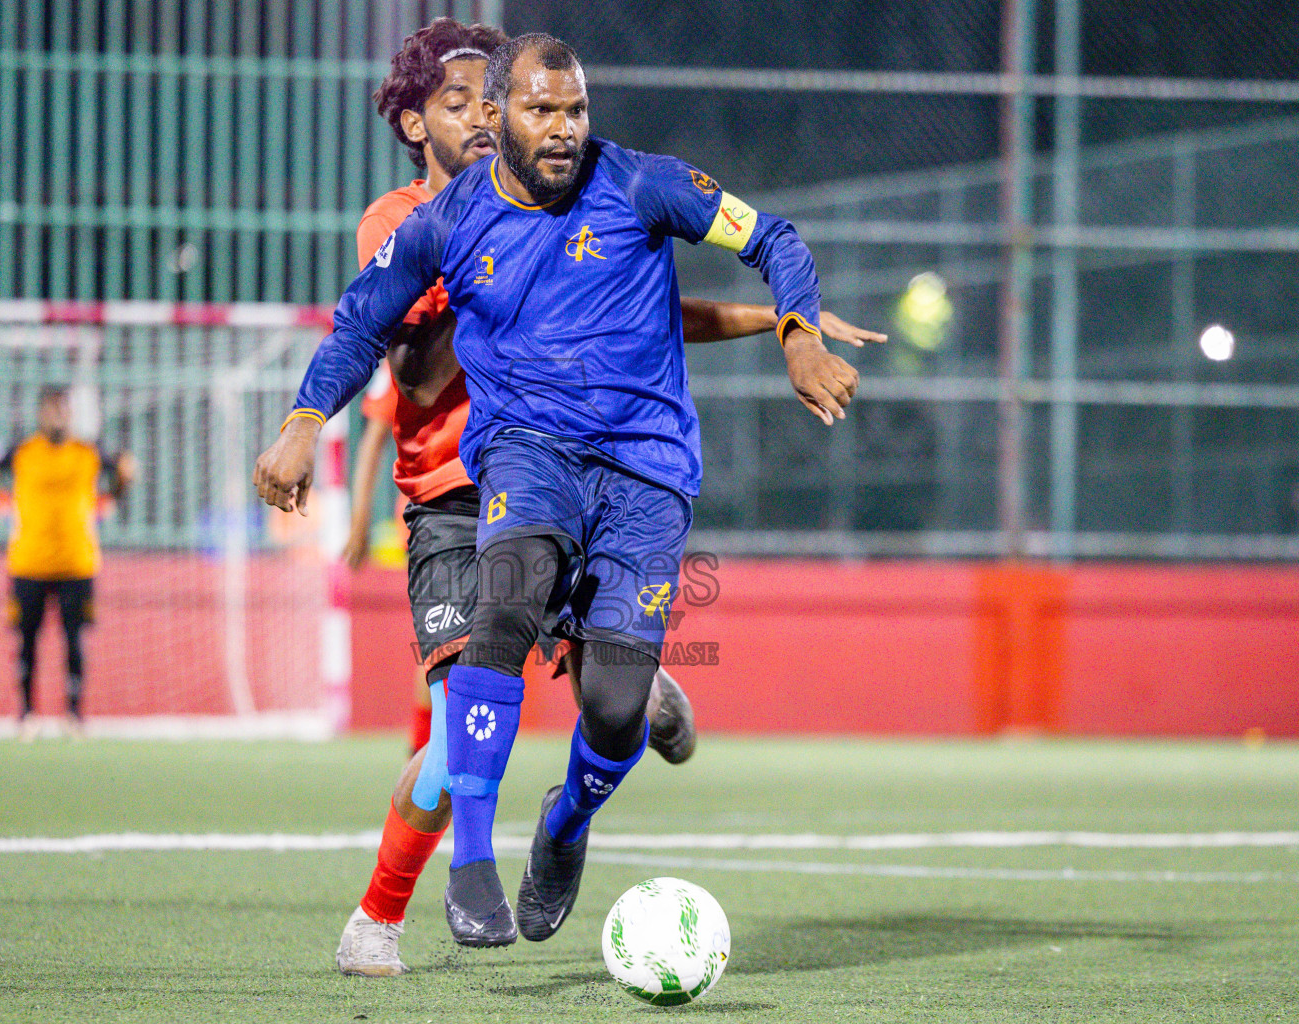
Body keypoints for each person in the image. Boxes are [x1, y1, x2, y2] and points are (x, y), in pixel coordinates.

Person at [256, 32, 883, 951]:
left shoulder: (642, 182)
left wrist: (793, 331)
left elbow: (771, 238)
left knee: (617, 709)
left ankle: (565, 824)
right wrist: (305, 420)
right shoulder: (436, 221)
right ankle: (468, 869)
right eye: (540, 110)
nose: (561, 129)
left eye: (576, 111)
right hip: (522, 457)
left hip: (645, 469)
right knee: (503, 609)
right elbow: (362, 322)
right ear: (501, 115)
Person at [0, 386, 134, 739]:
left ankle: (74, 715)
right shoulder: (22, 451)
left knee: (75, 639)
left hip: (76, 562)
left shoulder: (88, 452)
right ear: (40, 413)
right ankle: (26, 714)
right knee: (27, 640)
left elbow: (126, 468)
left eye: (62, 410)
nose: (57, 416)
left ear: (70, 414)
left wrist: (109, 499)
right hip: (28, 561)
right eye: (50, 409)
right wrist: (0, 498)